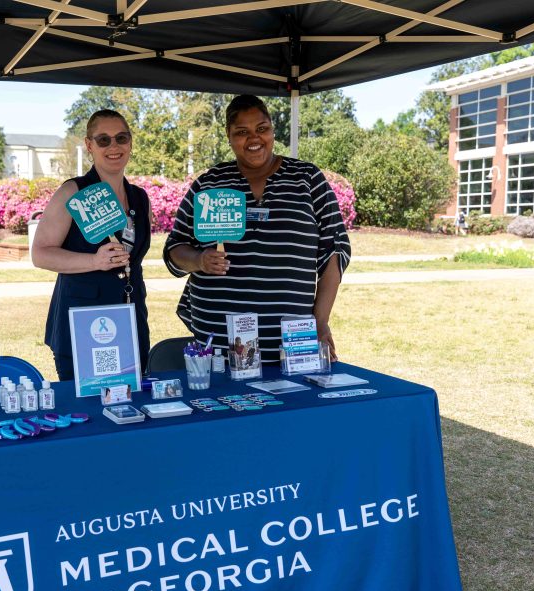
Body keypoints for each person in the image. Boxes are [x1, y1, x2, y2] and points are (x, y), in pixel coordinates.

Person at [163, 94, 351, 364]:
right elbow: (174, 249)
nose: (254, 139)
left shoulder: (307, 179)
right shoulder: (210, 183)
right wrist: (199, 260)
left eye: (262, 129)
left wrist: (320, 322)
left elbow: (334, 252)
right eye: (242, 132)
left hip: (291, 345)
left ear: (273, 130)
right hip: (219, 344)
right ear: (228, 136)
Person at [33, 110, 152, 380]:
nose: (114, 146)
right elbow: (40, 254)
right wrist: (93, 261)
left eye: (121, 138)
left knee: (131, 410)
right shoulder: (73, 192)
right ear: (89, 145)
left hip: (131, 323)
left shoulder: (140, 198)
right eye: (103, 140)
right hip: (83, 326)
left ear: (130, 143)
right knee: (88, 414)